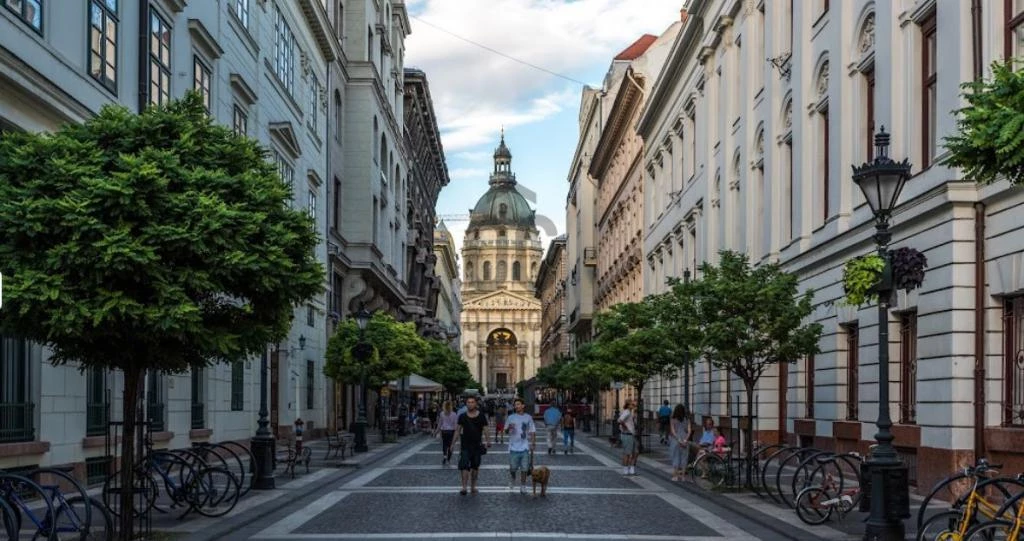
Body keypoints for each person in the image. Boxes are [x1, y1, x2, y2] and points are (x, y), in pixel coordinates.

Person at [451, 396, 489, 495]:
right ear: (466, 404)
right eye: (468, 402)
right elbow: (457, 430)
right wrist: (453, 443)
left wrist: (488, 440)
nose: (470, 404)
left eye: (472, 402)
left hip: (477, 445)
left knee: (475, 467)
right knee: (464, 466)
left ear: (476, 404)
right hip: (465, 445)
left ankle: (473, 486)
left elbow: (485, 429)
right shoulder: (462, 416)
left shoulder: (481, 416)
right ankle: (464, 487)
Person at [504, 398, 536, 494]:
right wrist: (509, 428)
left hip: (524, 447)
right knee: (513, 468)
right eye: (515, 405)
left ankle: (523, 485)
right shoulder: (511, 417)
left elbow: (532, 431)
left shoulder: (528, 417)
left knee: (524, 468)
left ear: (523, 406)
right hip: (513, 447)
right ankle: (513, 478)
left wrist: (533, 443)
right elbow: (505, 431)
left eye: (518, 404)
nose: (516, 406)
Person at [669, 405, 692, 482]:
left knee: (675, 457)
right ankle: (683, 477)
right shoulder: (687, 419)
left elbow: (673, 431)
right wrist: (685, 439)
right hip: (685, 438)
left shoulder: (673, 419)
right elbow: (689, 431)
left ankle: (675, 476)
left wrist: (678, 439)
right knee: (684, 458)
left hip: (676, 440)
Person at [434, 400, 459, 466]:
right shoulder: (454, 414)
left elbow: (439, 424)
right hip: (451, 431)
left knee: (444, 444)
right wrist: (457, 433)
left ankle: (445, 455)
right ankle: (448, 458)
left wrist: (436, 432)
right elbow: (456, 425)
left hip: (444, 431)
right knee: (451, 445)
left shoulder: (442, 413)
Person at [617, 400, 638, 475]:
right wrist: (625, 427)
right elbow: (619, 420)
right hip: (627, 435)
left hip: (631, 435)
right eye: (632, 404)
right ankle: (626, 470)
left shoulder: (629, 412)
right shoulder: (626, 412)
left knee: (635, 452)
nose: (634, 405)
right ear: (628, 405)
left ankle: (632, 469)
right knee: (627, 453)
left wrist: (634, 414)